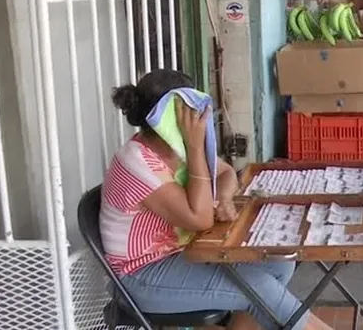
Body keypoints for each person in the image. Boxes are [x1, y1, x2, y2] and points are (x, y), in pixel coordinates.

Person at [100, 69, 332, 330]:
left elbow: (225, 173)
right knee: (258, 290)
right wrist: (195, 148)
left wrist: (223, 199)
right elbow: (200, 219)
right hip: (141, 275)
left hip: (187, 253)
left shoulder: (175, 148)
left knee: (278, 264)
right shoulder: (137, 161)